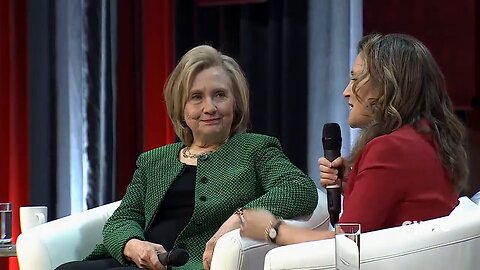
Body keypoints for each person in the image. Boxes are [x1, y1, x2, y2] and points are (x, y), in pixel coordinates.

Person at [55, 45, 318, 270]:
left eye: (220, 95)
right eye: (196, 98)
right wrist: (134, 245)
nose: (209, 108)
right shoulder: (153, 161)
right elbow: (123, 219)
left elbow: (299, 189)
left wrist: (240, 218)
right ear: (181, 109)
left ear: (235, 103)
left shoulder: (256, 149)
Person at [239, 33, 469, 245]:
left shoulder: (389, 149)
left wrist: (273, 230)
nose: (346, 91)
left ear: (387, 86)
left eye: (355, 79)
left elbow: (347, 245)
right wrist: (355, 182)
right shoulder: (431, 140)